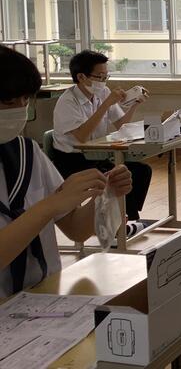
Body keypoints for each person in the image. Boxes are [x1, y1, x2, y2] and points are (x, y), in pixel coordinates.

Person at [0, 46, 132, 297]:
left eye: (25, 100)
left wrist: (105, 195)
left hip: (43, 292)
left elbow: (76, 229)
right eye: (9, 102)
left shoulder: (27, 153)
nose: (19, 110)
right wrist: (50, 205)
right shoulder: (68, 101)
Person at [51, 50, 151, 221]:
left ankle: (129, 218)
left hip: (96, 155)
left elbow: (121, 124)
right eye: (99, 77)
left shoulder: (103, 93)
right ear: (81, 77)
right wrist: (105, 105)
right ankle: (122, 222)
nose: (103, 82)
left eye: (106, 77)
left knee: (141, 170)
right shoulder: (67, 102)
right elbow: (82, 137)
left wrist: (134, 104)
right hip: (72, 160)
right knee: (118, 178)